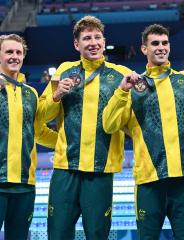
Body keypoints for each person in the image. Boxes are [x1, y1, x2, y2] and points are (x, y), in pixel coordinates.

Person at [38, 16, 131, 239]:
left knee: (97, 234)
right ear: (76, 44)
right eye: (87, 38)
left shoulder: (121, 74)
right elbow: (41, 115)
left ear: (104, 40)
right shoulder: (64, 70)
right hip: (66, 169)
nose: (93, 42)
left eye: (97, 37)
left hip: (101, 170)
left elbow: (131, 121)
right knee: (58, 234)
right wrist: (57, 94)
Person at [103, 24, 184, 240]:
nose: (161, 47)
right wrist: (121, 91)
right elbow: (109, 125)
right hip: (148, 182)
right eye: (155, 43)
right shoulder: (134, 86)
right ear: (144, 49)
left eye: (165, 43)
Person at [0, 34, 57, 240]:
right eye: (9, 52)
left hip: (25, 183)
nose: (14, 56)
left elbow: (39, 132)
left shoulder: (30, 93)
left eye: (19, 52)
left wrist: (68, 144)